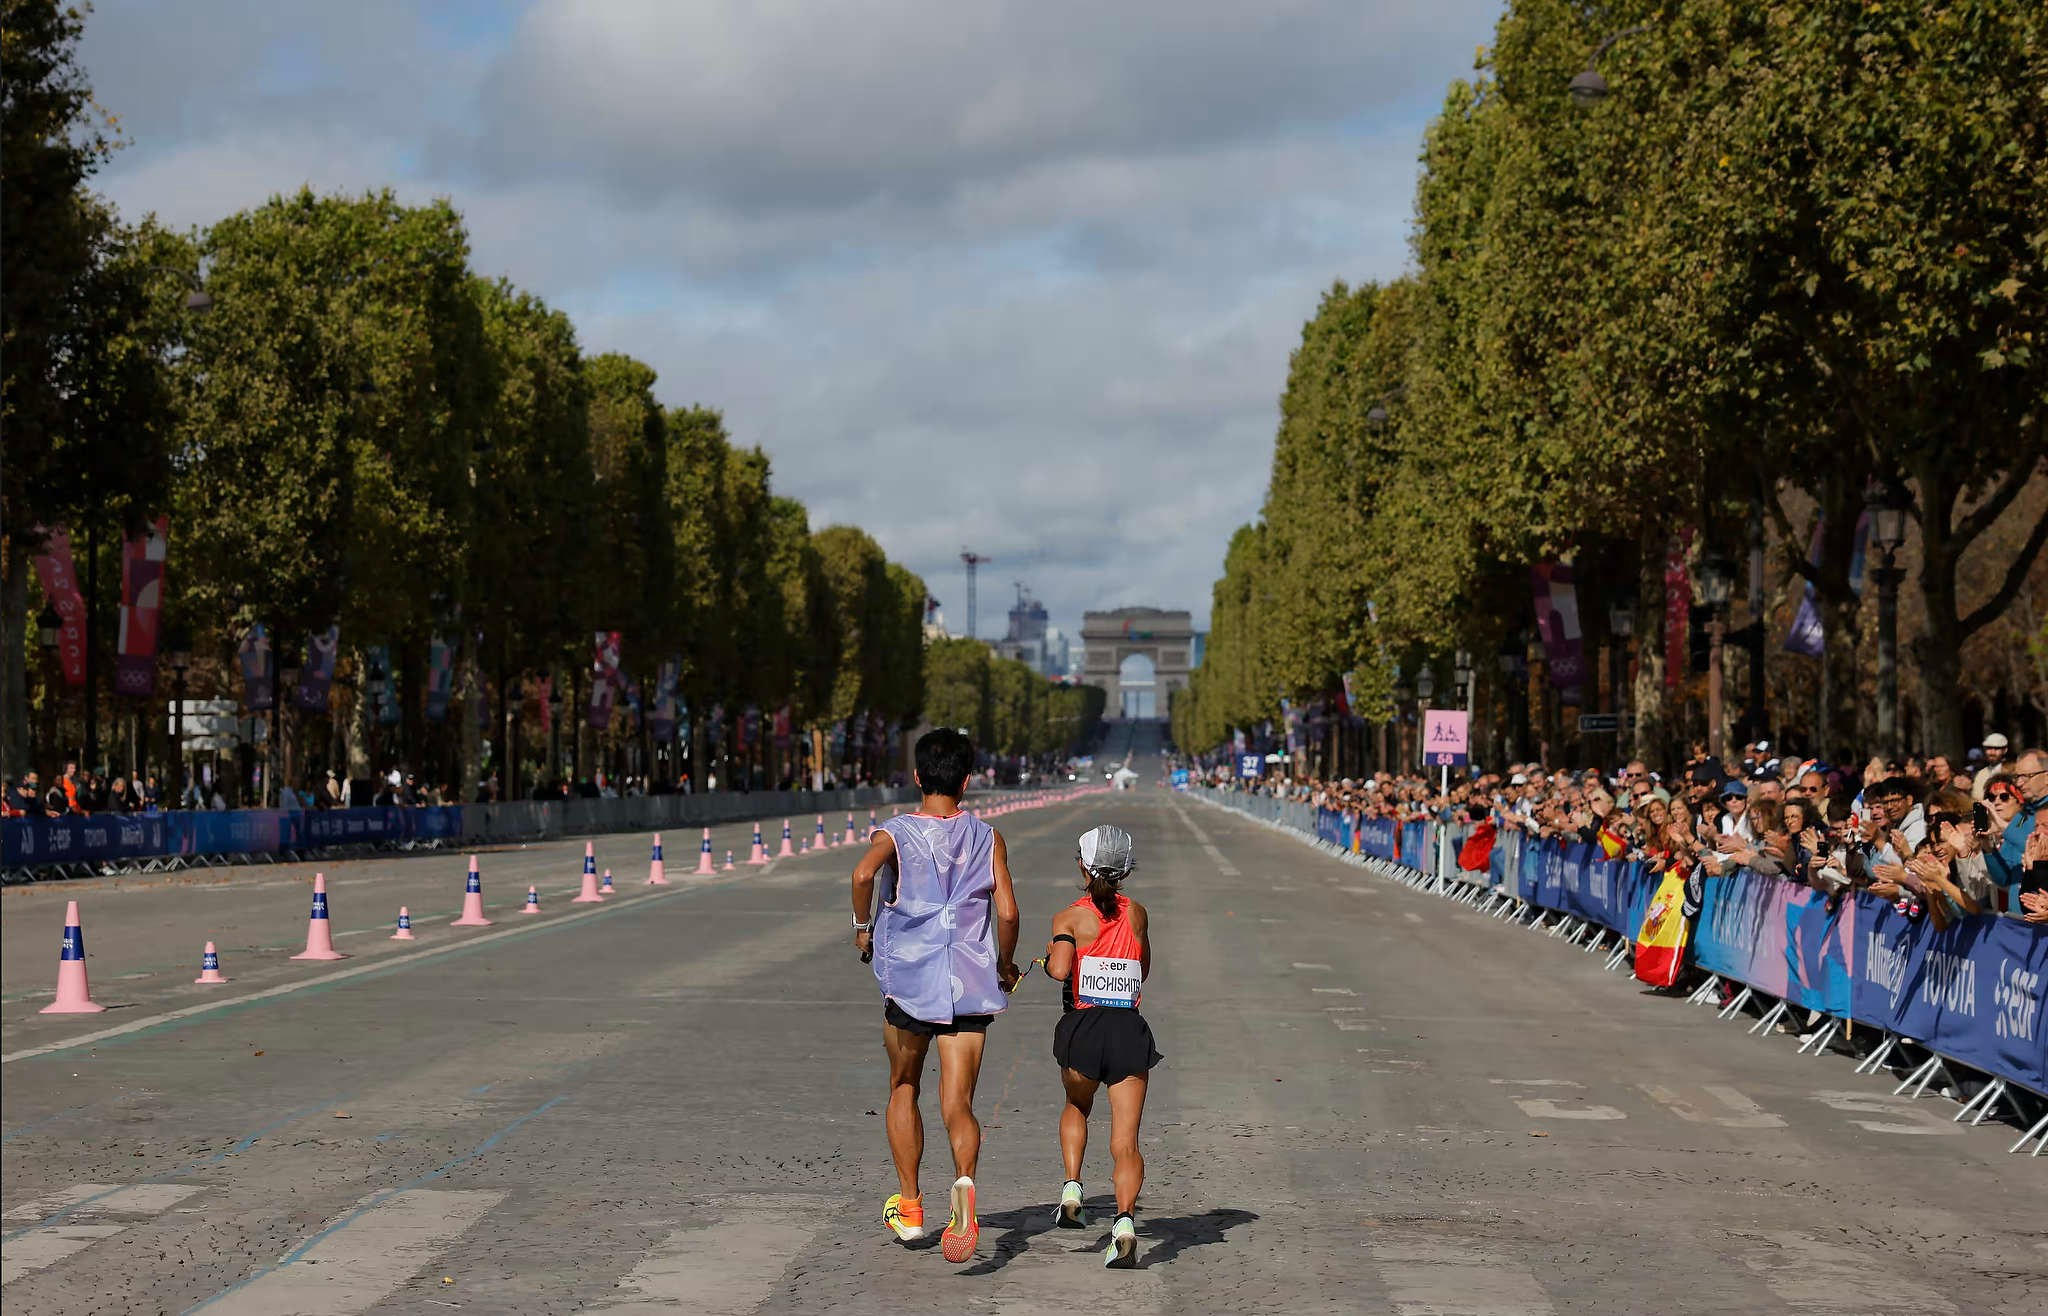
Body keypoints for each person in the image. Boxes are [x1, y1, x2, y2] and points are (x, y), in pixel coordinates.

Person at [850, 728, 1021, 1264]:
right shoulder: (988, 837)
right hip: (970, 982)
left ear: (918, 776)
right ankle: (964, 1185)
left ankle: (911, 1204)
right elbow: (1010, 912)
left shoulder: (896, 833)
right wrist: (1006, 964)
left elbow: (861, 872)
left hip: (910, 982)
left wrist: (862, 926)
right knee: (959, 1103)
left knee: (903, 1084)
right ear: (968, 781)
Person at [1041, 823, 1161, 1268]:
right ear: (1126, 870)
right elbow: (1142, 970)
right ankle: (1125, 1223)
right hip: (1128, 1030)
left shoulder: (1068, 917)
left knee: (1077, 1106)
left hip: (1082, 1028)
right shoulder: (1138, 914)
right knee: (1126, 1141)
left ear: (1082, 865)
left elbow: (1057, 971)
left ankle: (1073, 1185)